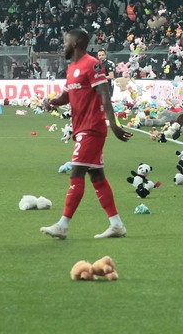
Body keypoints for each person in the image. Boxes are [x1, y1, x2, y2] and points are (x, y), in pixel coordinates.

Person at [40, 28, 132, 240]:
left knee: (76, 173)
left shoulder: (92, 64)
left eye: (65, 41)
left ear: (75, 43)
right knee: (97, 176)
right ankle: (117, 225)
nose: (62, 45)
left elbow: (105, 96)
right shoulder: (72, 67)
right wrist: (52, 101)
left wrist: (114, 124)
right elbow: (67, 95)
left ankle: (63, 225)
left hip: (92, 128)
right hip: (81, 127)